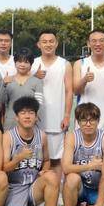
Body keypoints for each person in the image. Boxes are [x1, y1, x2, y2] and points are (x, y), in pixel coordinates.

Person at [2, 97, 61, 206]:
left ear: (36, 116)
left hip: (34, 187)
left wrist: (43, 171)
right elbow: (3, 168)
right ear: (16, 117)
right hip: (14, 189)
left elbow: (46, 160)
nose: (27, 116)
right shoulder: (8, 137)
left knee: (52, 176)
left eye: (31, 113)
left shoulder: (42, 136)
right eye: (23, 113)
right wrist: (18, 158)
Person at [32, 30, 73, 181]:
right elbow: (22, 83)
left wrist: (67, 115)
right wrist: (34, 76)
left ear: (56, 44)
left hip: (57, 119)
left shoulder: (65, 64)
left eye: (51, 41)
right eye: (44, 41)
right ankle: (38, 189)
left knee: (56, 158)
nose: (48, 44)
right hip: (36, 120)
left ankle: (57, 189)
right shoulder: (33, 64)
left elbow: (69, 91)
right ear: (38, 44)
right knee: (37, 159)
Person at [73, 29, 104, 135]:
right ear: (88, 44)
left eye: (101, 40)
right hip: (84, 119)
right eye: (94, 41)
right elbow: (75, 91)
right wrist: (84, 80)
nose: (98, 44)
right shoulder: (80, 64)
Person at [1, 48, 44, 131]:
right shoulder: (8, 80)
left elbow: (39, 103)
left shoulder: (36, 81)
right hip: (10, 122)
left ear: (31, 65)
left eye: (26, 62)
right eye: (19, 61)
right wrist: (3, 85)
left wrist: (34, 118)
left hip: (29, 123)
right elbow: (2, 101)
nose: (22, 65)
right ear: (15, 63)